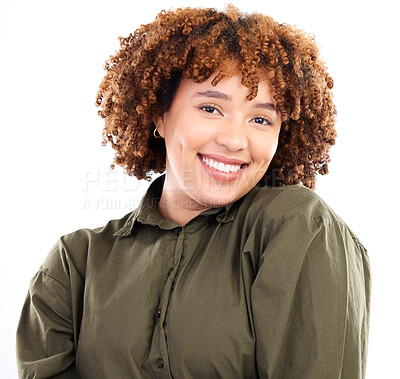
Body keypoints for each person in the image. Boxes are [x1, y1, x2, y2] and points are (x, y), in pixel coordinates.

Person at [16, 5, 370, 378]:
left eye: (261, 119)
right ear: (160, 114)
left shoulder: (297, 227)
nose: (235, 140)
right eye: (211, 108)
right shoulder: (74, 266)